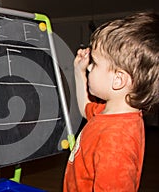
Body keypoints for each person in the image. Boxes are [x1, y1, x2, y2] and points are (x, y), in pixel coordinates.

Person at [63, 12, 159, 191]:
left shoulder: (117, 143)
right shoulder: (112, 114)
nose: (90, 66)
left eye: (95, 63)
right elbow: (86, 109)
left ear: (118, 80)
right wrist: (79, 72)